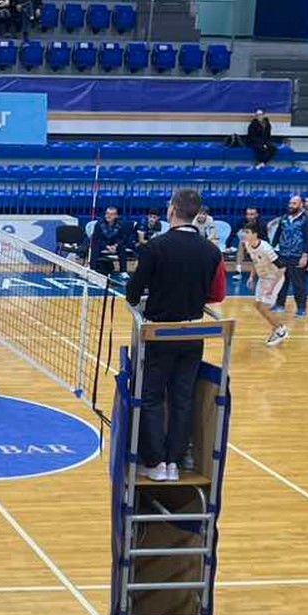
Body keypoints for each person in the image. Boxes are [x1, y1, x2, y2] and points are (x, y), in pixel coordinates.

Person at [123, 188, 226, 483]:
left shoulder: (155, 246)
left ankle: (155, 462)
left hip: (160, 334)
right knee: (183, 398)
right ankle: (174, 462)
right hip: (193, 333)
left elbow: (132, 294)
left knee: (152, 397)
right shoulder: (212, 251)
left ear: (171, 210)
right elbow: (216, 294)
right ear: (196, 214)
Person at [238, 226, 290, 348]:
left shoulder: (266, 248)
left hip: (274, 278)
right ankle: (277, 328)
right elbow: (255, 261)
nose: (244, 234)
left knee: (264, 308)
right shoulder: (248, 244)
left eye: (247, 232)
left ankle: (281, 330)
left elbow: (282, 268)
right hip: (263, 278)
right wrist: (251, 277)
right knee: (257, 305)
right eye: (244, 232)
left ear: (255, 234)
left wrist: (272, 287)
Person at [270, 195, 308, 321]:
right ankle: (279, 304)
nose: (291, 206)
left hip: (297, 256)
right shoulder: (284, 218)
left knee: (298, 283)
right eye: (290, 203)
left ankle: (301, 308)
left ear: (301, 205)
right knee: (282, 281)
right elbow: (278, 233)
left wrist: (304, 256)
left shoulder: (306, 220)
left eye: (294, 203)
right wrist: (272, 248)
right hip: (283, 254)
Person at [87, 205, 128, 280]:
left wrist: (115, 246)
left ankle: (123, 271)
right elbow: (96, 239)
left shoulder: (121, 225)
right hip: (102, 244)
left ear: (116, 216)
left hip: (114, 245)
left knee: (122, 248)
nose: (108, 216)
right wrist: (107, 246)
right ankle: (92, 269)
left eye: (111, 214)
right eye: (107, 213)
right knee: (95, 246)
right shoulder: (99, 224)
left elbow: (123, 239)